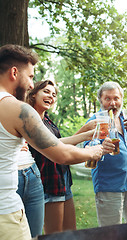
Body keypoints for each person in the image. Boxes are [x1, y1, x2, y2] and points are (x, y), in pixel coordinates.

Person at [0, 44, 104, 240]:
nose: (32, 85)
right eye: (30, 77)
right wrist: (95, 151)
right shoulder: (18, 109)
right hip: (6, 210)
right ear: (14, 72)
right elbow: (62, 154)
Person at [25, 80, 102, 235]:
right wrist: (86, 135)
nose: (51, 96)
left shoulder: (47, 120)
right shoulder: (30, 120)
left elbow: (60, 146)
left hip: (62, 180)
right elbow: (51, 145)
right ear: (33, 94)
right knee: (55, 235)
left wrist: (85, 130)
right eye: (46, 92)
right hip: (48, 183)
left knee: (70, 232)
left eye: (54, 94)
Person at [85, 81, 127, 227]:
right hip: (109, 185)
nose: (113, 103)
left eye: (116, 98)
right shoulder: (95, 122)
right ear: (101, 100)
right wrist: (99, 147)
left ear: (121, 100)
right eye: (108, 99)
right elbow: (86, 150)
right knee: (111, 232)